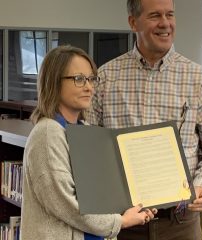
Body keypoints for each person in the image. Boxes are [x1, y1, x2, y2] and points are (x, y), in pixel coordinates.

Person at [86, 0, 202, 239]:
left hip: (180, 223)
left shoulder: (198, 80)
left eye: (170, 15)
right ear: (133, 22)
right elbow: (91, 150)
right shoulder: (105, 78)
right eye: (155, 16)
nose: (165, 23)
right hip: (124, 223)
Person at [20, 45, 157, 240]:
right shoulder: (47, 133)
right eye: (78, 79)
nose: (89, 87)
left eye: (91, 79)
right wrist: (121, 221)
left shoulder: (83, 130)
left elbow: (99, 196)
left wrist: (134, 206)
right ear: (53, 82)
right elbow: (66, 204)